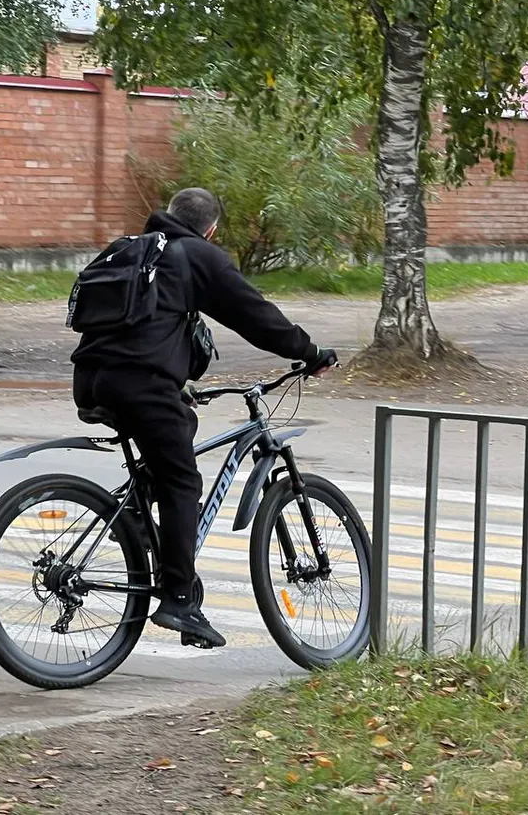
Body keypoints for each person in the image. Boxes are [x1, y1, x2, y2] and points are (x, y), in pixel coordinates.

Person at [71, 187, 337, 649]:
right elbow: (254, 316)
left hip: (93, 380)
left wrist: (176, 383)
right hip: (142, 384)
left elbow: (134, 326)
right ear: (211, 229)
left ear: (170, 216)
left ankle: (137, 515)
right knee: (183, 482)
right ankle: (179, 601)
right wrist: (309, 352)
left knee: (177, 428)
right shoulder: (196, 255)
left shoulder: (130, 249)